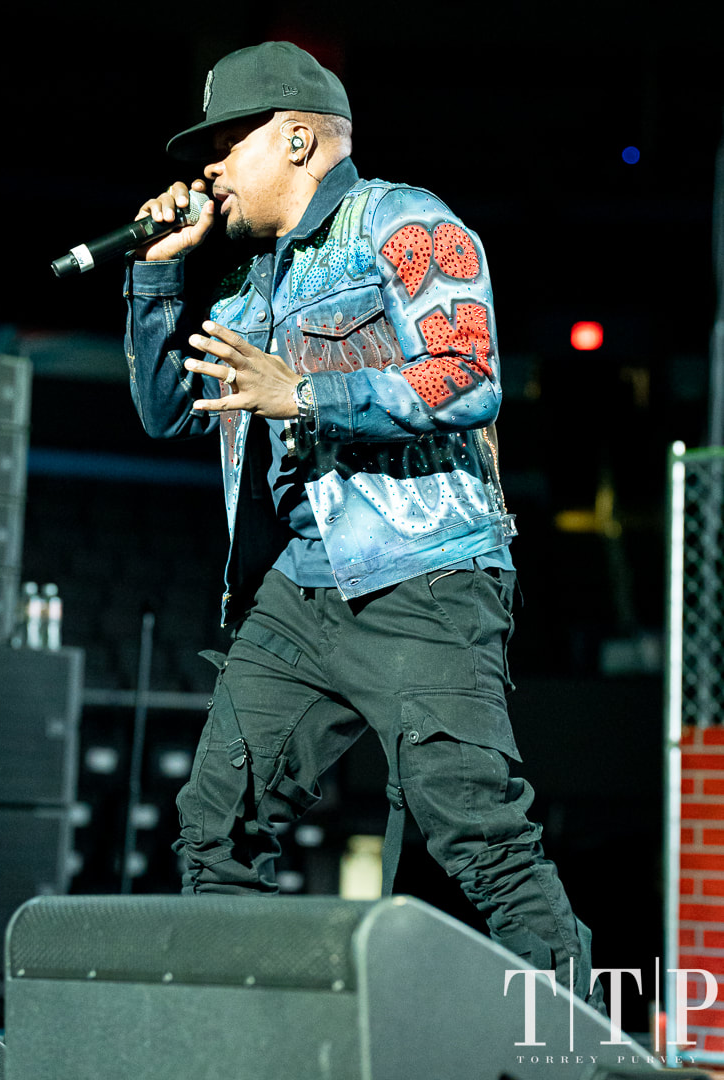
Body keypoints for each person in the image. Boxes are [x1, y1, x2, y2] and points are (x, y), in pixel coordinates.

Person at [124, 40, 605, 1012]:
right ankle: (243, 1048)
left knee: (478, 835)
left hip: (422, 574)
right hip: (297, 593)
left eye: (226, 142)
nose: (209, 168)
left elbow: (468, 375)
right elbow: (167, 413)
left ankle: (579, 1052)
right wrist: (155, 278)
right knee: (216, 826)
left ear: (298, 139)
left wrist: (305, 393)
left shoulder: (404, 222)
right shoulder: (249, 286)